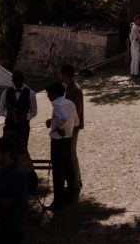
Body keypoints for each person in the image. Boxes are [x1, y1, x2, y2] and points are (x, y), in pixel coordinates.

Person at [44, 82, 79, 211]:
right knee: (68, 168)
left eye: (49, 94)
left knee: (58, 172)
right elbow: (76, 121)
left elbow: (63, 118)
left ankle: (58, 202)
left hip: (58, 141)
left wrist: (59, 128)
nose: (48, 96)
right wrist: (53, 122)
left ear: (54, 94)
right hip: (68, 139)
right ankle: (70, 196)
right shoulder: (70, 103)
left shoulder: (56, 103)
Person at [0, 138, 27, 244]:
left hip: (11, 228)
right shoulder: (2, 170)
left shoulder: (17, 174)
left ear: (7, 153)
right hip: (1, 225)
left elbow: (17, 203)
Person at [0, 70, 37, 147]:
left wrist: (25, 116)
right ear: (12, 80)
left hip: (23, 127)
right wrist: (7, 113)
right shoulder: (5, 93)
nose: (17, 82)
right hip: (9, 126)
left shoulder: (31, 94)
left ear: (23, 79)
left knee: (22, 149)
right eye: (15, 80)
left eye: (19, 80)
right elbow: (0, 110)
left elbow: (34, 111)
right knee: (7, 148)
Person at [60, 64, 84, 194]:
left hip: (73, 126)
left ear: (66, 75)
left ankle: (75, 182)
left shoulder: (75, 89)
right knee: (71, 153)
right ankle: (75, 181)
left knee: (71, 153)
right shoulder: (70, 88)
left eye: (62, 74)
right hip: (70, 125)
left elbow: (77, 110)